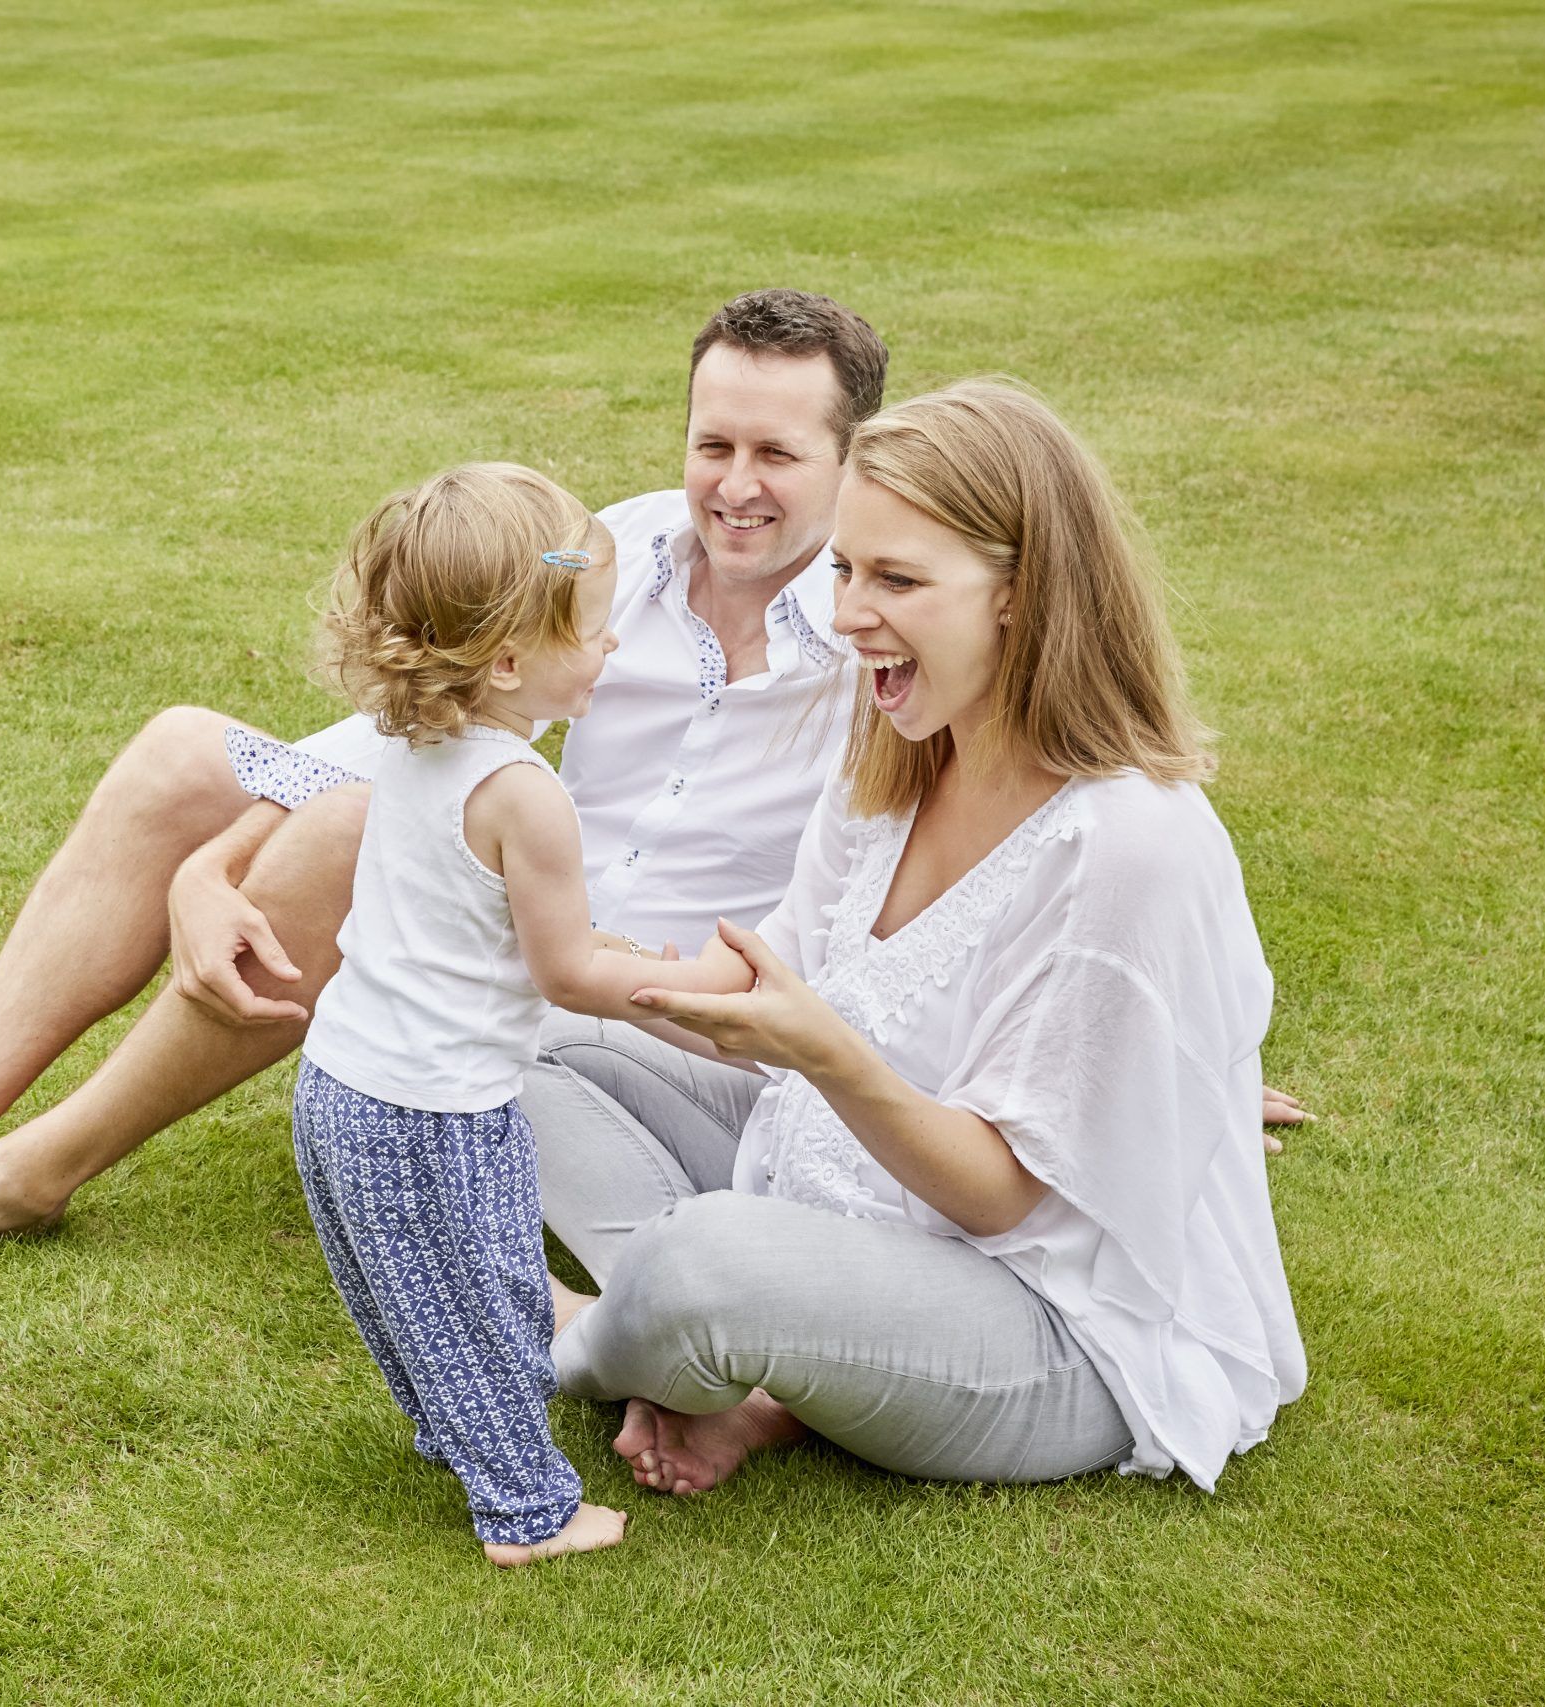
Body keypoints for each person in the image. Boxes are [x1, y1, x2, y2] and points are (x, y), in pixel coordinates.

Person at [0, 291, 1305, 1256]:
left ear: (853, 461)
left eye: (776, 456)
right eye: (711, 441)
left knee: (333, 850)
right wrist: (204, 861)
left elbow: (1054, 843)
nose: (732, 487)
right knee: (191, 755)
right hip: (513, 873)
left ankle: (30, 1177)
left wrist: (1182, 1068)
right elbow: (418, 721)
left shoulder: (896, 638)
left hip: (631, 986)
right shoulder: (613, 554)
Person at [532, 380, 1308, 1498]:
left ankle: (594, 1335)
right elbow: (759, 985)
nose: (847, 614)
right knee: (531, 1036)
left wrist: (824, 1051)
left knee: (704, 1265)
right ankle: (743, 1344)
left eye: (896, 579)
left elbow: (1000, 1198)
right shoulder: (900, 747)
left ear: (1022, 596)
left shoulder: (1129, 845)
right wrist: (550, 962)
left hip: (1039, 1325)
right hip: (830, 1191)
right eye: (844, 568)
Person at [290, 462, 751, 1565]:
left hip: (340, 1079)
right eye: (593, 630)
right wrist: (698, 993)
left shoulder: (412, 737)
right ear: (505, 660)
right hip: (434, 1109)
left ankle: (450, 1437)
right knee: (492, 1303)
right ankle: (528, 1513)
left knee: (406, 1293)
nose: (612, 650)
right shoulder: (522, 795)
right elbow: (566, 975)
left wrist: (628, 949)